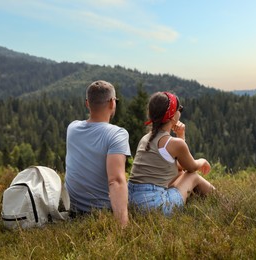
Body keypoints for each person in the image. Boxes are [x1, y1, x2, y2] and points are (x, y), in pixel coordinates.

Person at [128, 91, 215, 216]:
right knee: (193, 176)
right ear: (173, 116)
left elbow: (177, 166)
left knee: (179, 173)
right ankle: (222, 201)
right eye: (180, 109)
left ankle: (203, 199)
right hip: (154, 207)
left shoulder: (146, 139)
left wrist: (181, 136)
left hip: (132, 202)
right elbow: (191, 167)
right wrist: (202, 161)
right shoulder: (174, 143)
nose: (180, 111)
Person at [65, 80, 131, 227]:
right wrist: (123, 227)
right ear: (112, 103)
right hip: (101, 211)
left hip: (71, 208)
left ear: (87, 103)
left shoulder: (72, 128)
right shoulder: (117, 134)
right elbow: (116, 181)